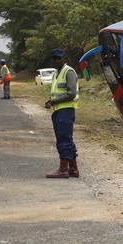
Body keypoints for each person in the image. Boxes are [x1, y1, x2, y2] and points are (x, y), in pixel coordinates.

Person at [44, 49, 80, 179]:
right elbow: (57, 91)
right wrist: (51, 102)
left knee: (63, 139)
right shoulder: (57, 73)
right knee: (67, 139)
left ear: (63, 59)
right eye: (54, 58)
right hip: (58, 110)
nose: (56, 61)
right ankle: (73, 169)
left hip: (66, 110)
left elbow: (71, 94)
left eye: (58, 58)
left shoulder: (68, 71)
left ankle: (63, 170)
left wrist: (54, 101)